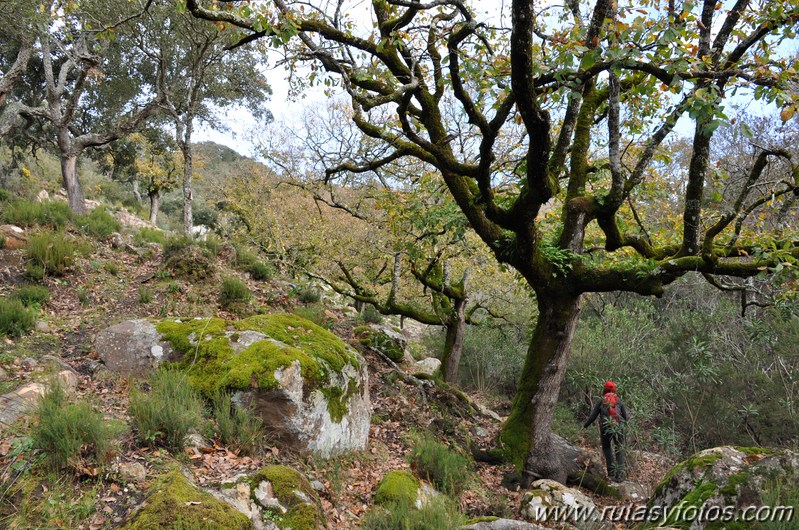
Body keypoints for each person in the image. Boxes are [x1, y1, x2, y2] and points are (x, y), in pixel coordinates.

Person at [583, 380, 628, 481]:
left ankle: (611, 472)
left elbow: (593, 416)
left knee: (607, 448)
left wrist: (585, 425)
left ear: (604, 389)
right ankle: (620, 476)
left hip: (605, 428)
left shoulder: (601, 400)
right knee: (619, 449)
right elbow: (626, 417)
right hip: (618, 428)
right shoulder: (619, 400)